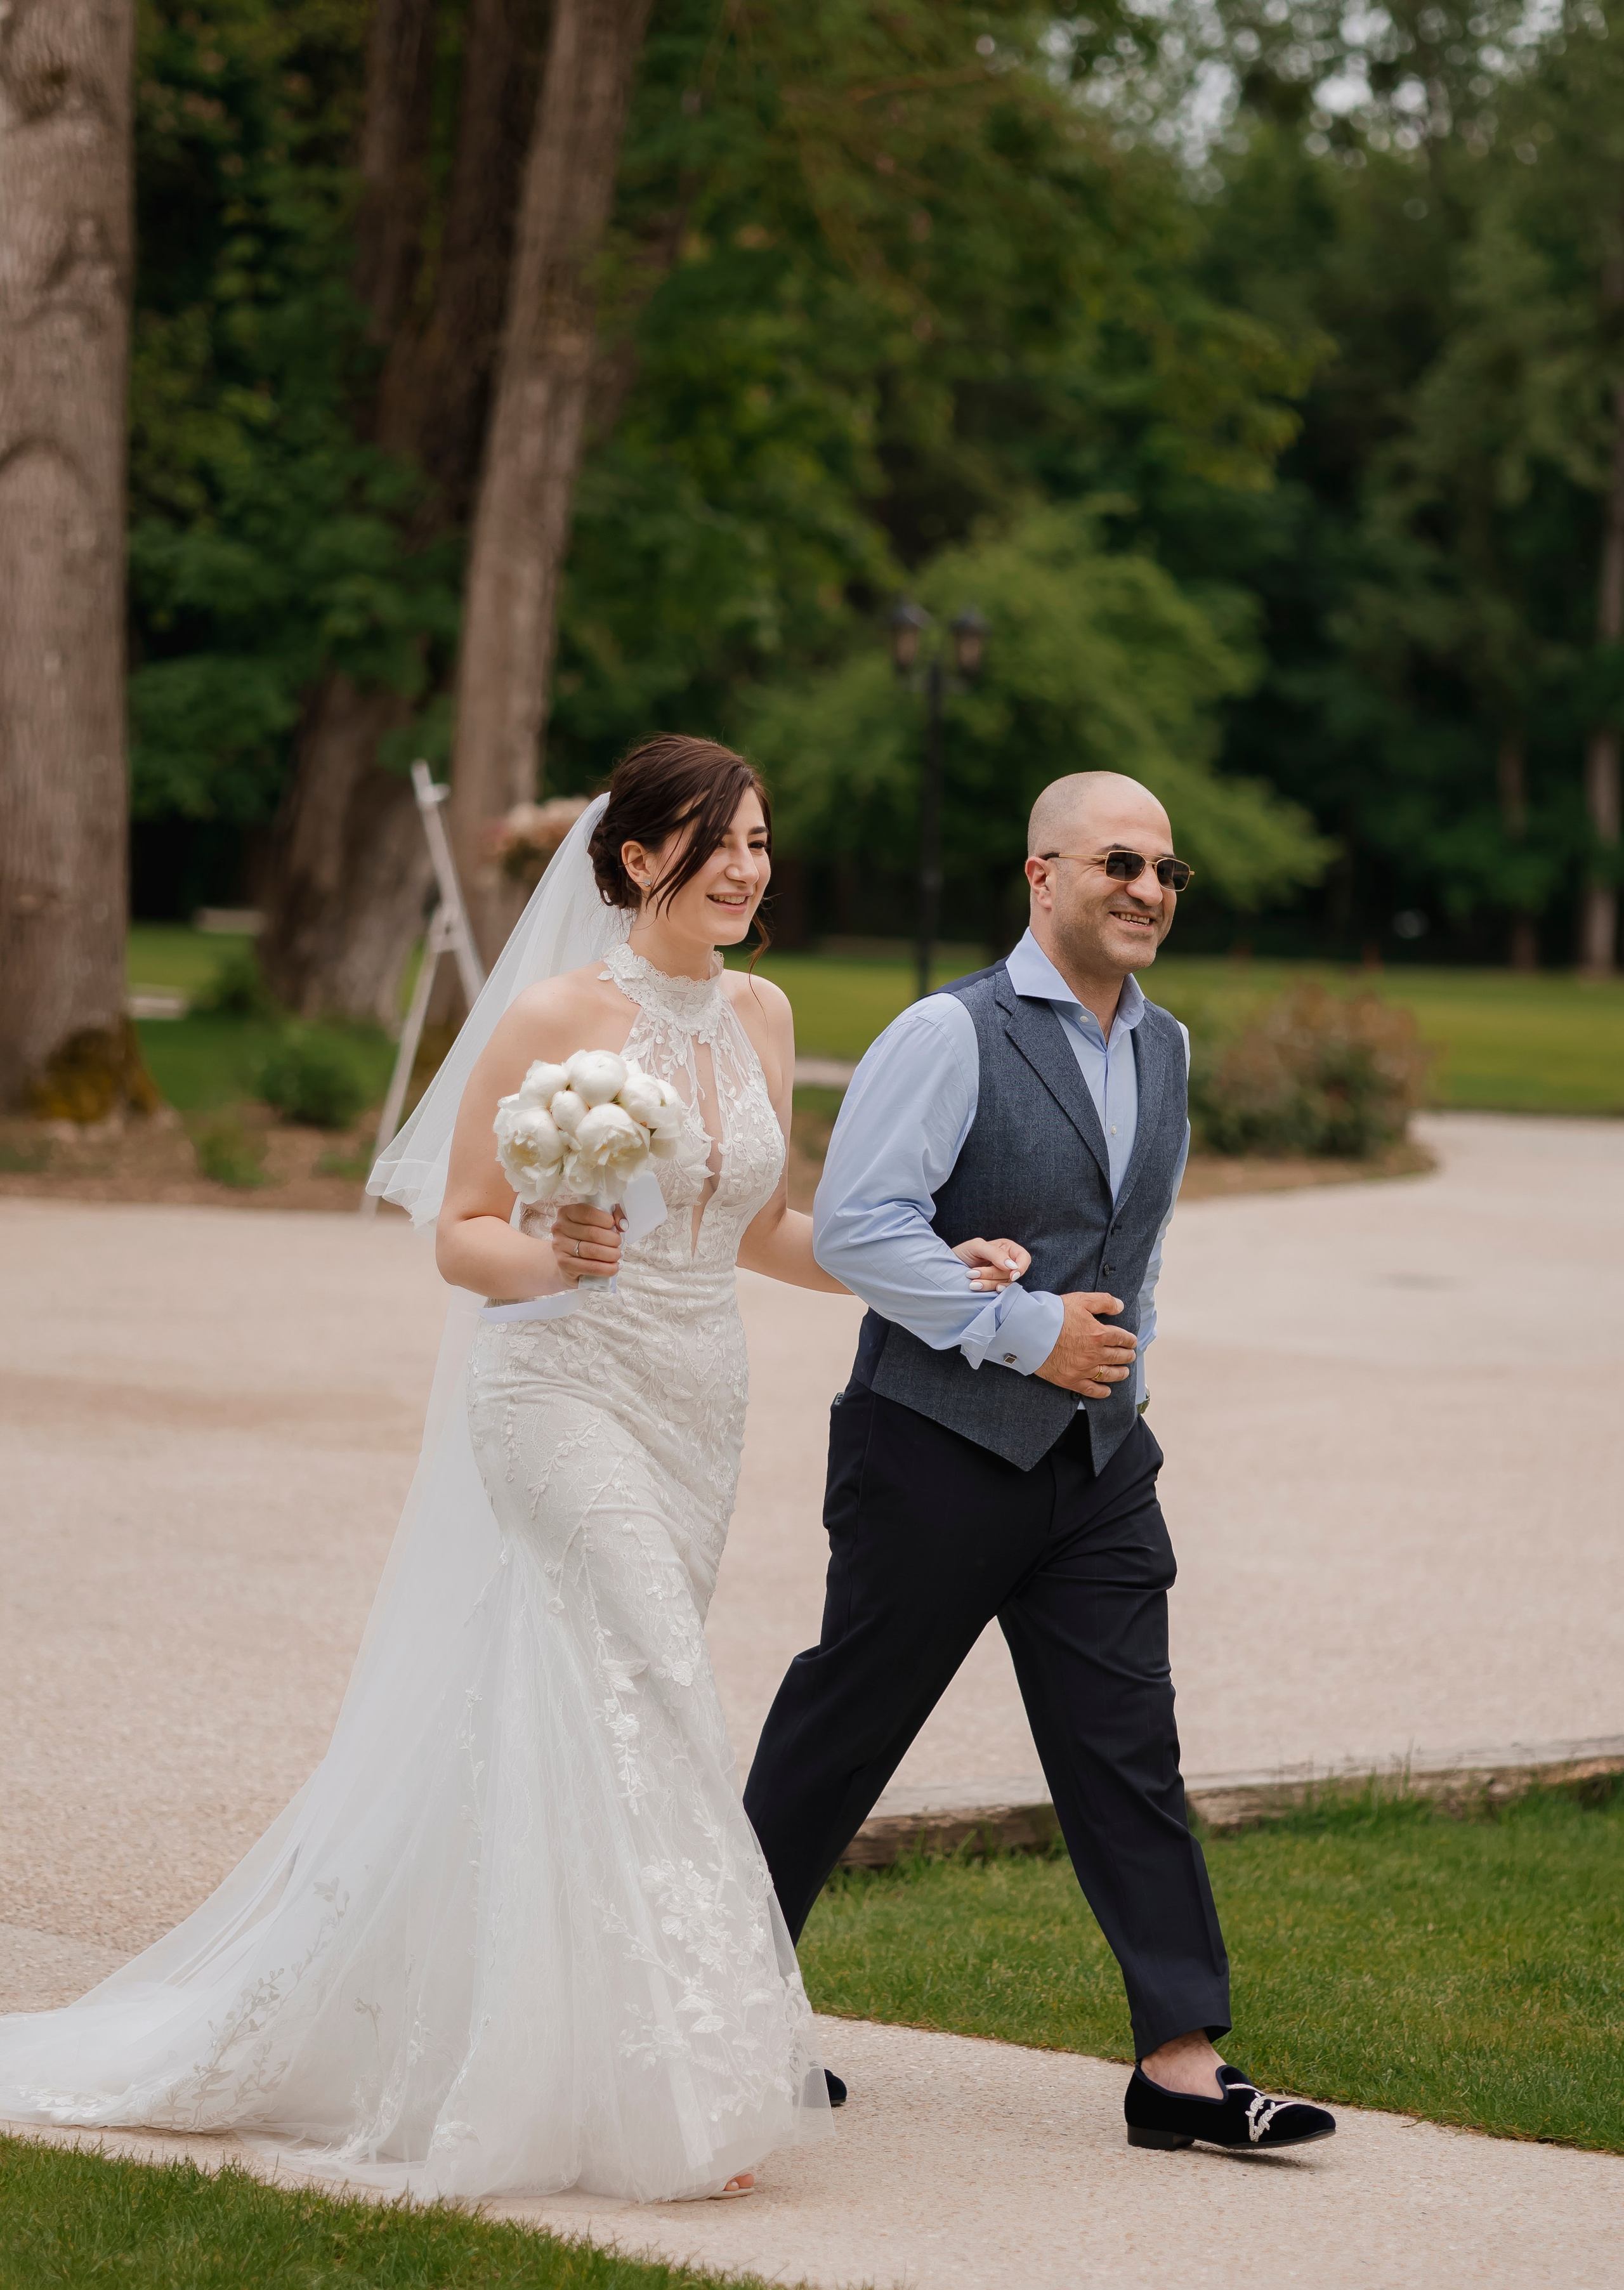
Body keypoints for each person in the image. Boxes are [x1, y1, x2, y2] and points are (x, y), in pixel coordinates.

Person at [0, 734, 1025, 2202]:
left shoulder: (765, 1014)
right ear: (632, 859)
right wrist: (550, 1257)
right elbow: (456, 1230)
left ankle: (544, 2036)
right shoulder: (553, 1012)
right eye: (720, 841)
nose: (748, 867)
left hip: (695, 1402)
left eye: (759, 841)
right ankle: (671, 2086)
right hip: (558, 1385)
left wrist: (934, 1273)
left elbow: (763, 1230)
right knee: (660, 1684)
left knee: (580, 1701)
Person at [745, 769, 1337, 2156]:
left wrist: (1109, 1393)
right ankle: (716, 2012)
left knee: (1126, 1751)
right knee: (845, 1734)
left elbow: (1126, 1251)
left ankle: (1180, 2069)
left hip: (1096, 1467)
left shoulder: (1165, 1047)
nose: (1144, 891)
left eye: (1164, 873)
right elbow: (853, 1230)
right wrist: (1022, 1333)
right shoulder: (946, 1035)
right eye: (1116, 863)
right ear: (1041, 874)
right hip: (933, 1450)